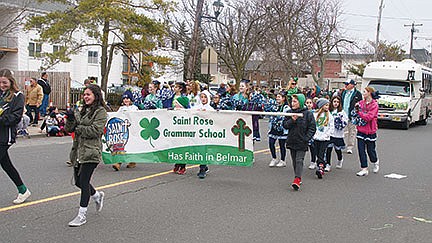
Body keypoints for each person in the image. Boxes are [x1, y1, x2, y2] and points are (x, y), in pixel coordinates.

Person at [65, 84, 107, 227]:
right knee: (78, 182)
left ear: (96, 95)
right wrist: (70, 118)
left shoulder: (101, 112)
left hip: (91, 152)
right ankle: (96, 195)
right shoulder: (82, 110)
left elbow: (95, 130)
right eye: (84, 95)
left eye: (88, 94)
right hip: (79, 151)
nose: (86, 97)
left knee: (84, 182)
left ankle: (81, 215)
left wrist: (78, 128)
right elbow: (69, 129)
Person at [0, 69, 32, 204]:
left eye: (4, 82)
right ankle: (23, 190)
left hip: (5, 136)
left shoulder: (18, 96)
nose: (2, 85)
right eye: (0, 82)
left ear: (11, 81)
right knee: (6, 164)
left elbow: (15, 117)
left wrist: (1, 117)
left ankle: (23, 190)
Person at [282, 94, 316, 191]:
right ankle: (297, 176)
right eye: (292, 101)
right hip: (292, 140)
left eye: (295, 101)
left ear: (300, 102)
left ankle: (297, 179)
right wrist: (292, 120)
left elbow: (312, 127)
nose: (293, 103)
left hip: (302, 141)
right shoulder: (289, 112)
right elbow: (285, 125)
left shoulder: (308, 114)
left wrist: (307, 138)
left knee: (299, 160)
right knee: (294, 161)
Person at [355, 87, 380, 176]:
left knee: (371, 150)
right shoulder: (361, 103)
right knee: (361, 150)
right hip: (361, 129)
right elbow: (355, 112)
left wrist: (359, 113)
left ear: (369, 93)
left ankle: (375, 161)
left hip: (370, 130)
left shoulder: (374, 105)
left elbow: (369, 117)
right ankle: (364, 168)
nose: (363, 93)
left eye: (364, 92)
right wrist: (356, 110)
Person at [112, 90, 139, 171]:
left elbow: (137, 117)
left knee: (131, 145)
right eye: (124, 98)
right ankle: (118, 163)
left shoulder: (135, 108)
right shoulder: (121, 108)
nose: (126, 100)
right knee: (121, 145)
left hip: (132, 130)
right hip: (123, 130)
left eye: (128, 98)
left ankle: (132, 160)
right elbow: (116, 117)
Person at [192, 90, 213, 178]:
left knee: (203, 150)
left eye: (205, 97)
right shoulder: (196, 107)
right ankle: (204, 165)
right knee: (197, 150)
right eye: (202, 97)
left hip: (206, 133)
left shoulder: (210, 109)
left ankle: (202, 168)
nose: (203, 99)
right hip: (197, 132)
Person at [171, 81, 190, 175]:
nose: (174, 88)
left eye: (176, 87)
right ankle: (177, 162)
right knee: (175, 145)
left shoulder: (184, 98)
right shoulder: (172, 97)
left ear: (180, 89)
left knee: (183, 145)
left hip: (183, 126)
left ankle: (182, 165)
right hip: (175, 124)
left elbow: (189, 110)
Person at [313, 98, 334, 178]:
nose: (327, 107)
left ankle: (320, 167)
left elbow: (331, 127)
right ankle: (322, 164)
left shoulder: (330, 116)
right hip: (316, 137)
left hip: (325, 138)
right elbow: (313, 125)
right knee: (317, 153)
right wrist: (313, 134)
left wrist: (327, 134)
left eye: (328, 105)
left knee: (321, 153)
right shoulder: (315, 115)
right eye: (326, 105)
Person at [268, 91, 290, 168]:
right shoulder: (274, 105)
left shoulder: (286, 107)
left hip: (282, 128)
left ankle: (282, 160)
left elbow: (285, 116)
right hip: (274, 127)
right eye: (277, 97)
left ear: (283, 98)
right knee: (271, 143)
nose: (277, 98)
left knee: (282, 145)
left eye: (279, 97)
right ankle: (274, 158)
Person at [341, 79, 362, 154]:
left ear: (352, 85)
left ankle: (350, 146)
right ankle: (342, 144)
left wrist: (357, 114)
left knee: (352, 131)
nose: (346, 85)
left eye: (347, 84)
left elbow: (360, 105)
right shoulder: (343, 92)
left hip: (352, 116)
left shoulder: (357, 94)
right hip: (343, 115)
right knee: (343, 131)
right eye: (345, 84)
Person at [326, 96, 348, 169]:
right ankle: (328, 164)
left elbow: (345, 121)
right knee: (328, 149)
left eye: (337, 102)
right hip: (330, 134)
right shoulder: (329, 111)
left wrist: (341, 123)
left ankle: (340, 159)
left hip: (338, 134)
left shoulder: (342, 112)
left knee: (337, 149)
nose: (336, 103)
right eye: (334, 101)